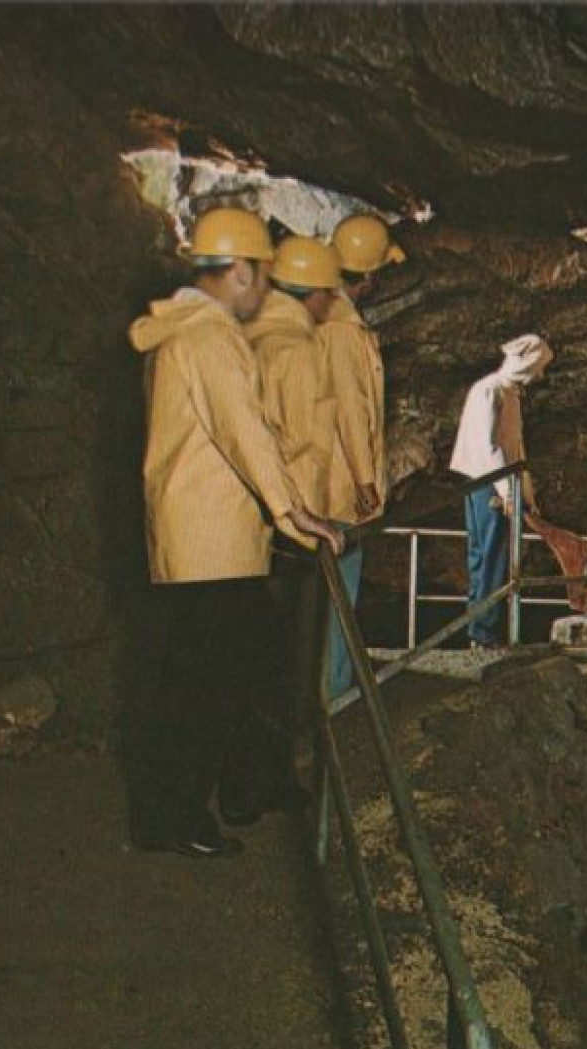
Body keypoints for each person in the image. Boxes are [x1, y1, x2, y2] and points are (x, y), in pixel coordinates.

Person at [126, 206, 343, 859]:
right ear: (242, 271)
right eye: (264, 277)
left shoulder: (178, 331)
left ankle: (218, 794)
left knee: (216, 678)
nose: (266, 291)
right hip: (212, 548)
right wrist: (291, 511)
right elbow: (241, 428)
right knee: (201, 690)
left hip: (193, 540)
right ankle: (172, 818)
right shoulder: (210, 337)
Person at [245, 235, 342, 749]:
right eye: (331, 288)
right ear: (313, 293)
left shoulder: (253, 336)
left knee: (258, 653)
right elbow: (300, 446)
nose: (336, 298)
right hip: (292, 532)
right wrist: (310, 523)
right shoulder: (297, 351)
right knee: (290, 657)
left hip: (255, 525)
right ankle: (272, 772)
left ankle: (251, 772)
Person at [318, 213, 403, 699]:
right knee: (338, 599)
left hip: (318, 480)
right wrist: (366, 480)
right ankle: (331, 696)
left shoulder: (316, 318)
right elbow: (351, 409)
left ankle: (325, 691)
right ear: (369, 276)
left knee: (324, 598)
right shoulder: (344, 332)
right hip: (340, 489)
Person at [448, 334, 552, 649]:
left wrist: (528, 497)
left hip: (495, 482)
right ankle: (484, 632)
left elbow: (516, 451)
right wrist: (509, 493)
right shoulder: (489, 391)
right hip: (487, 483)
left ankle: (480, 629)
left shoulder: (509, 394)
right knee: (490, 558)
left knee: (487, 557)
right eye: (538, 368)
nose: (540, 376)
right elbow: (488, 449)